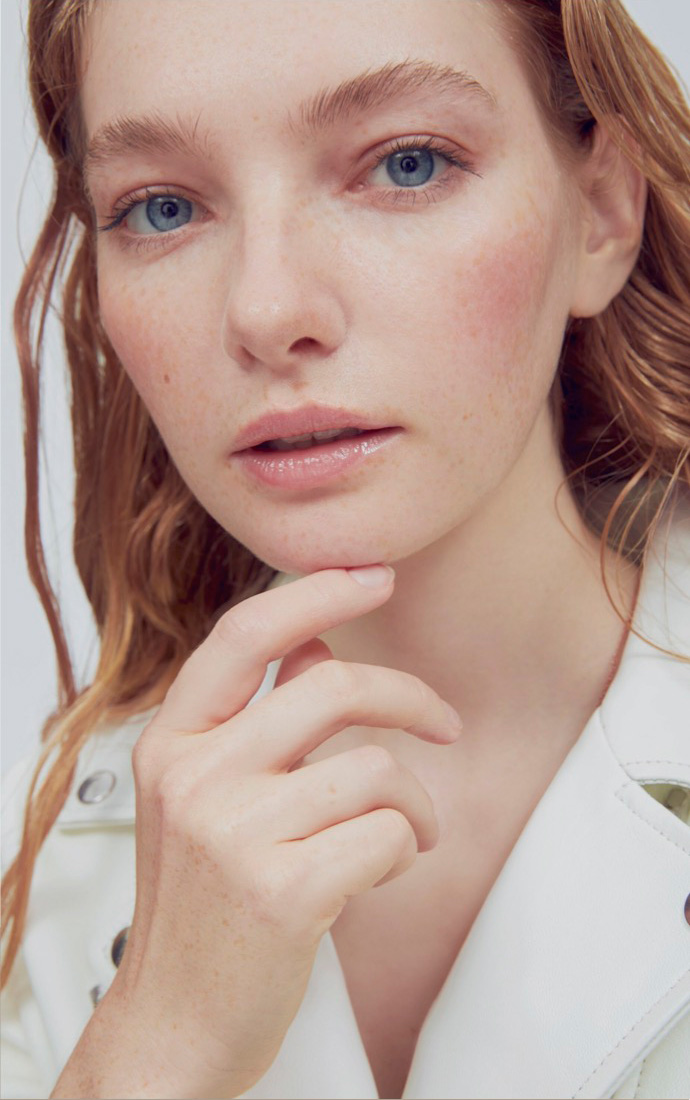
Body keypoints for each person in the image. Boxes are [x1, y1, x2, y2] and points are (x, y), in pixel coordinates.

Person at [2, 0, 689, 1097]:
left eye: (408, 164)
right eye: (162, 205)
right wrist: (152, 1045)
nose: (268, 309)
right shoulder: (75, 842)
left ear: (602, 213)